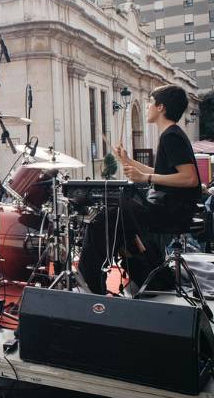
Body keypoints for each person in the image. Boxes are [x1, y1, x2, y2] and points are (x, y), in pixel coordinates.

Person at [79, 85, 200, 294]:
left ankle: (90, 283)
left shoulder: (171, 136)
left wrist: (146, 177)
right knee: (117, 223)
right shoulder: (172, 134)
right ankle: (148, 278)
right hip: (167, 207)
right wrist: (128, 161)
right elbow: (164, 172)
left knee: (102, 221)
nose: (146, 107)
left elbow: (190, 179)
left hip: (170, 211)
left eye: (150, 101)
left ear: (161, 107)